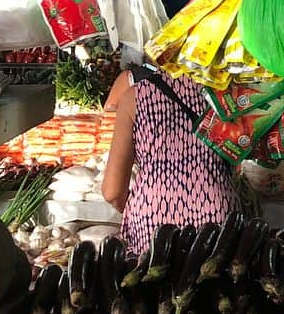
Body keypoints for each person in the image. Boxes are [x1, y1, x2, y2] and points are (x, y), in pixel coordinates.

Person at [101, 66, 240, 256]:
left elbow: (112, 192)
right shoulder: (226, 95)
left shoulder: (133, 97)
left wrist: (145, 205)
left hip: (151, 216)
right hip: (215, 210)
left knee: (153, 279)